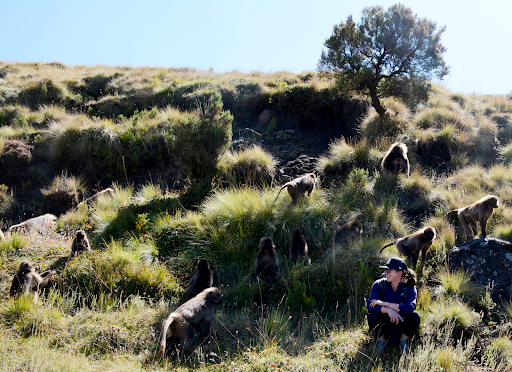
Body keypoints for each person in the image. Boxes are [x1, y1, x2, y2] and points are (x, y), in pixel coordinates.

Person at [367, 257, 421, 353]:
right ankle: (381, 341)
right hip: (384, 324)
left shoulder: (409, 288)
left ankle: (403, 340)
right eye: (385, 270)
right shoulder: (379, 284)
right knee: (373, 316)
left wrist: (384, 304)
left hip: (401, 323)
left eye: (388, 270)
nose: (385, 273)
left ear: (399, 273)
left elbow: (409, 308)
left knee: (415, 316)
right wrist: (388, 310)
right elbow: (370, 306)